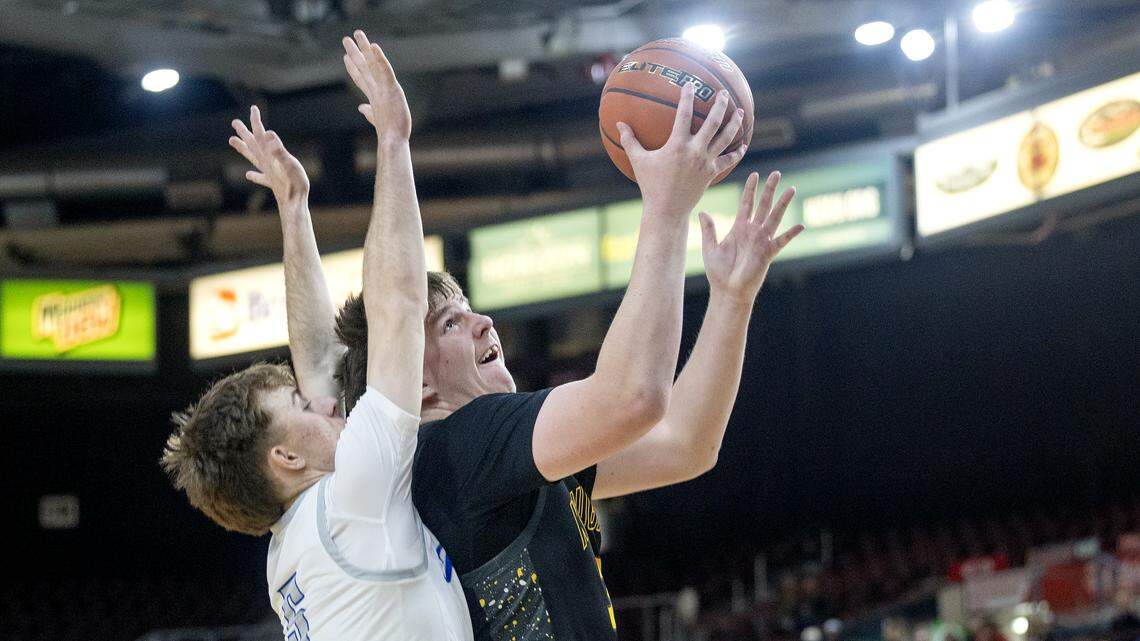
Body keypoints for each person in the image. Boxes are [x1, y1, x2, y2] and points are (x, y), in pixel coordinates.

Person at [281, 67, 801, 640]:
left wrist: (731, 298)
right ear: (419, 383)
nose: (483, 323)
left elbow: (685, 444)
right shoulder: (460, 444)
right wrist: (667, 207)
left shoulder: (491, 460)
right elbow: (633, 397)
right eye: (451, 321)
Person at [161, 31, 472, 641]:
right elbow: (399, 307)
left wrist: (294, 206)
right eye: (303, 407)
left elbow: (320, 359)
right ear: (286, 458)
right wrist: (392, 139)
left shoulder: (293, 552)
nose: (326, 399)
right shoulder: (353, 502)